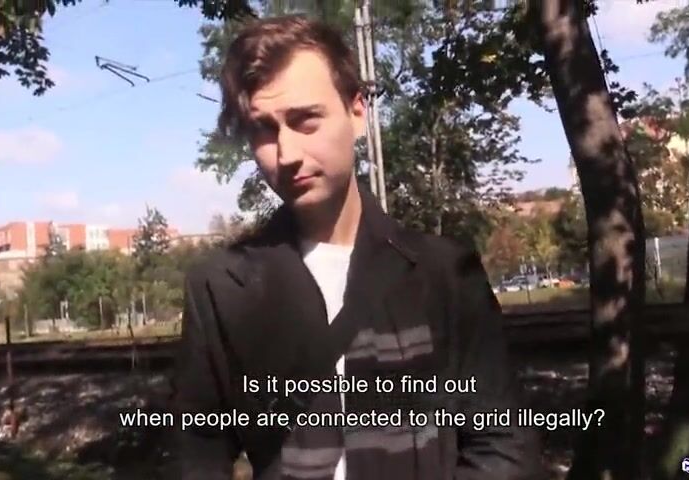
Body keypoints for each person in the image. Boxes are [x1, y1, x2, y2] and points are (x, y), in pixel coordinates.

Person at [172, 14, 544, 480]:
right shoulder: (221, 288)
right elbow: (197, 451)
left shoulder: (445, 275)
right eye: (263, 129)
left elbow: (503, 445)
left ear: (357, 112)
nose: (287, 154)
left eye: (306, 120)